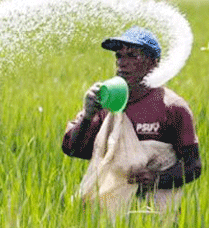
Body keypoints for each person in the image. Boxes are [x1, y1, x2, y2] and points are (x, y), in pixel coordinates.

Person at [62, 26, 201, 197]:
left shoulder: (172, 107)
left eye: (132, 56)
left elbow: (193, 166)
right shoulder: (106, 102)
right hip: (107, 212)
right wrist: (87, 116)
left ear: (154, 62)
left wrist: (157, 178)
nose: (122, 62)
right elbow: (74, 150)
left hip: (156, 214)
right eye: (119, 55)